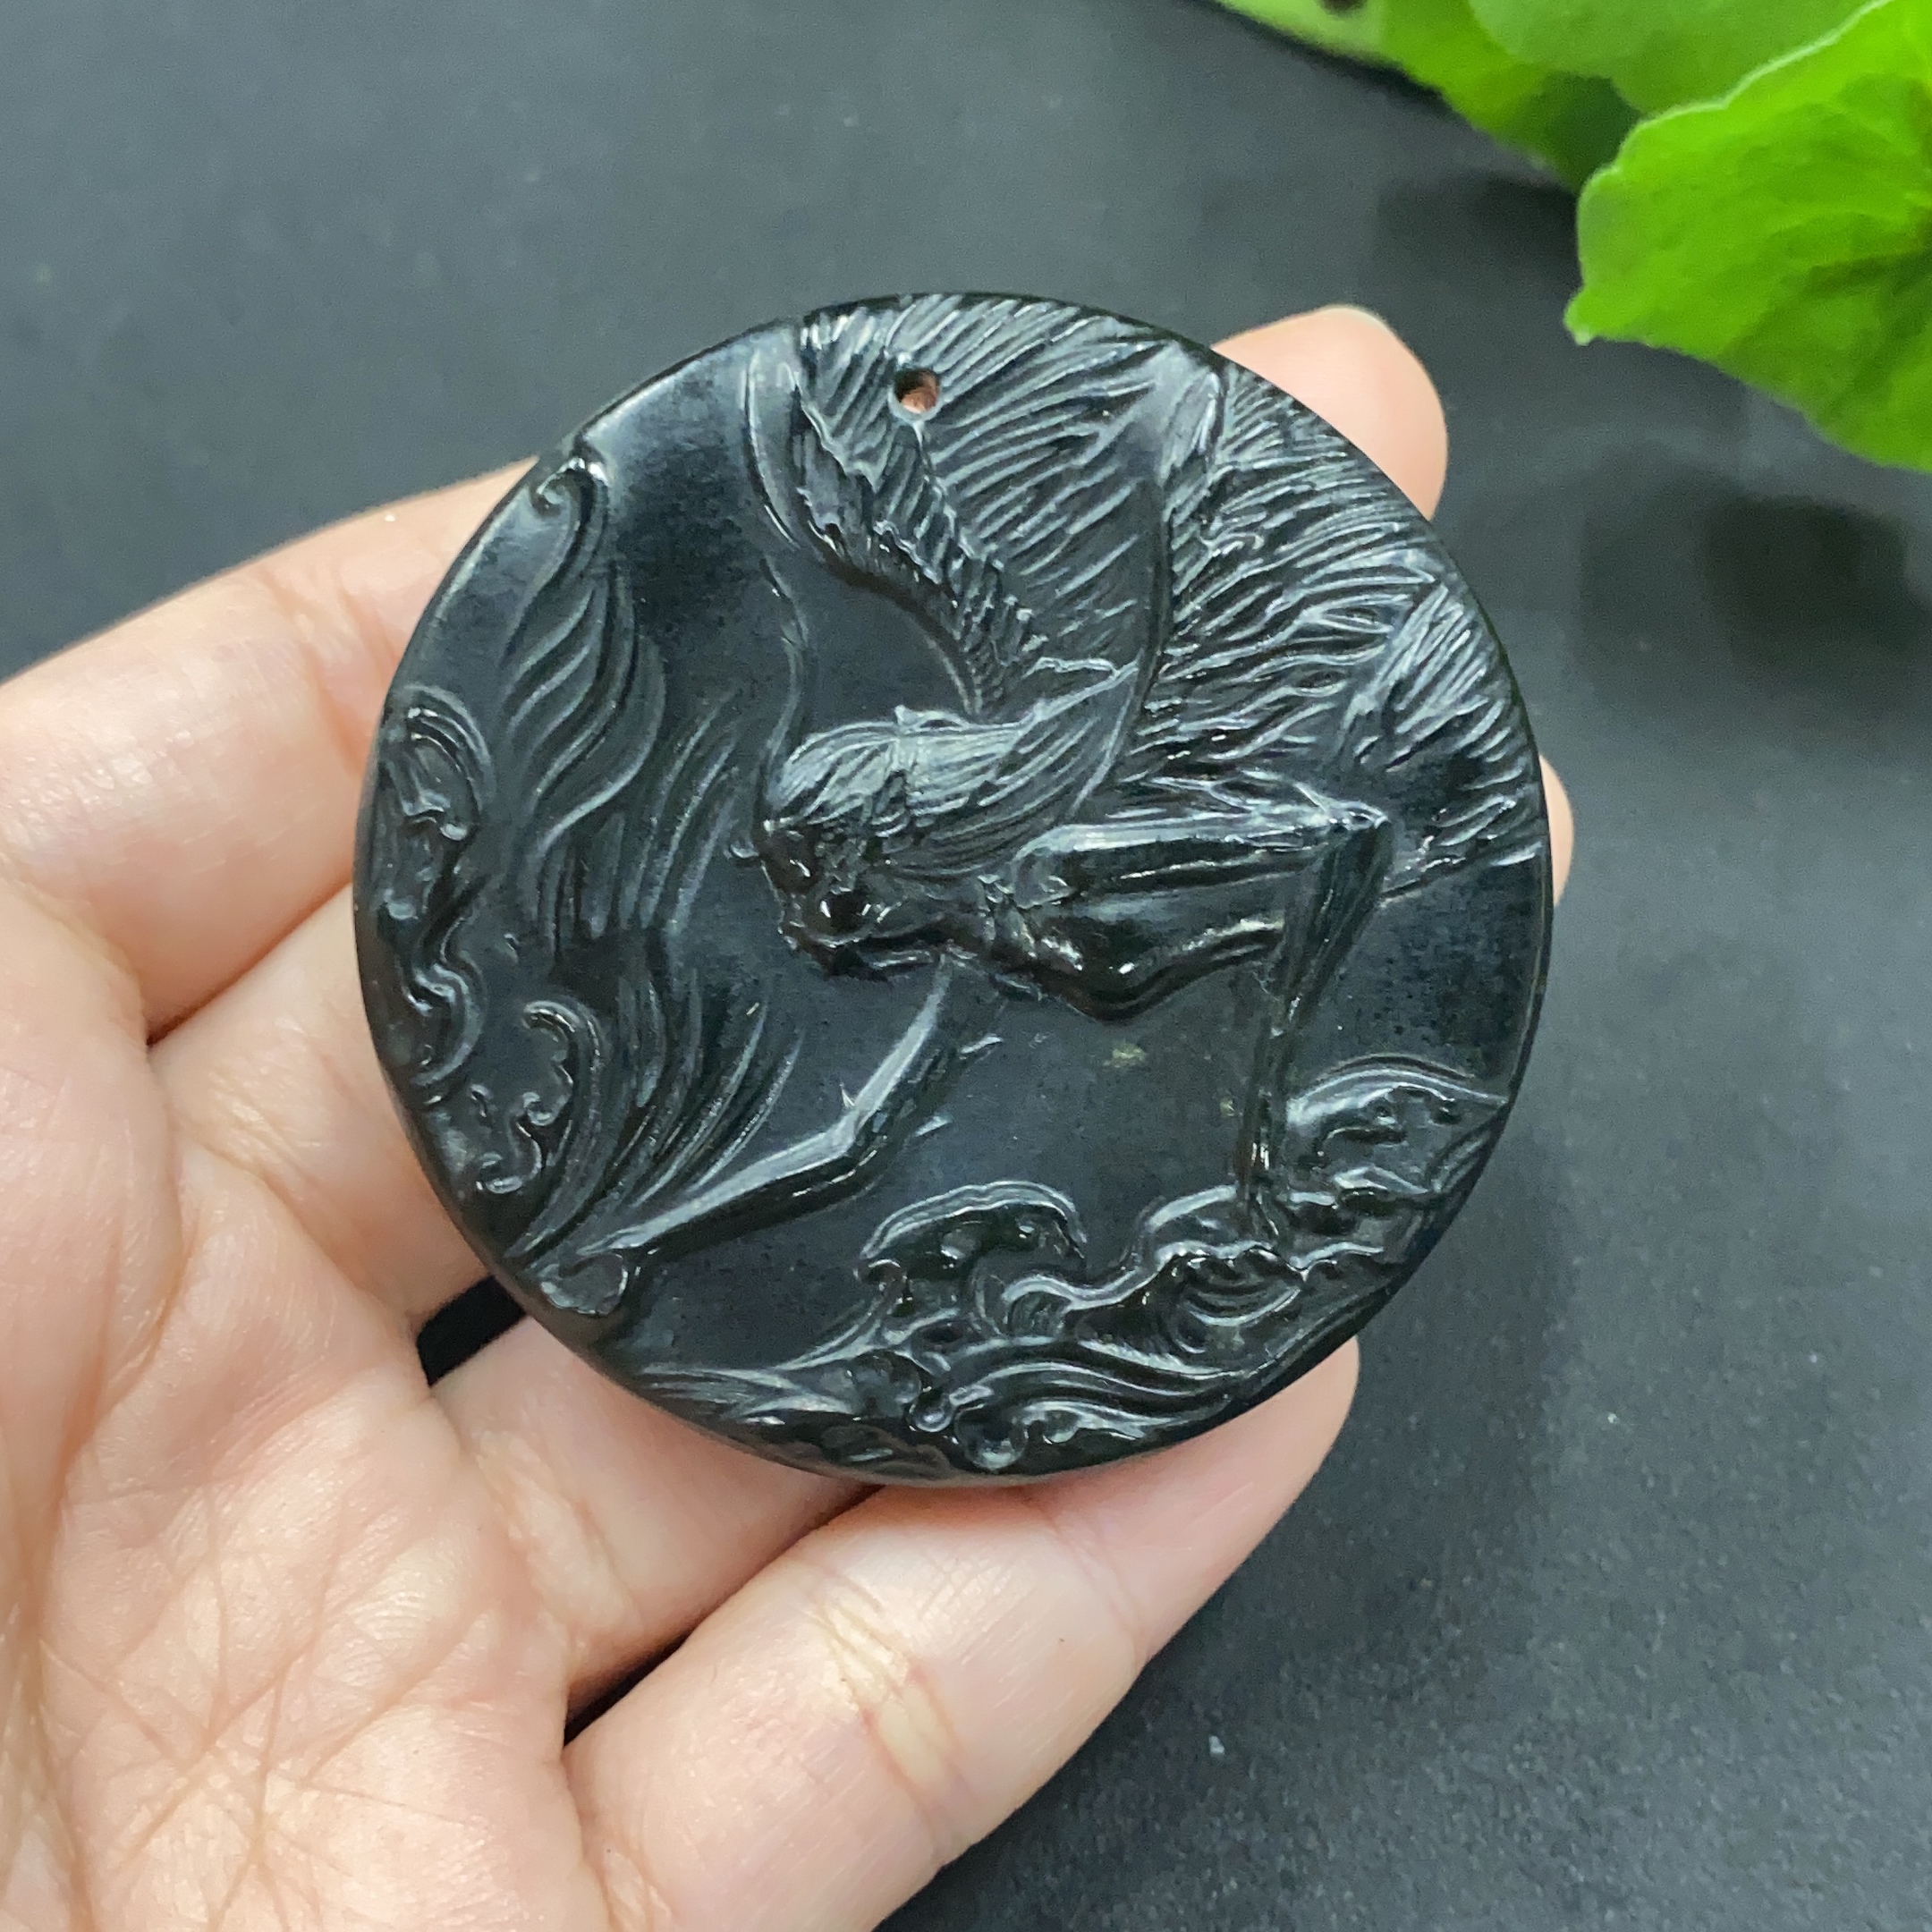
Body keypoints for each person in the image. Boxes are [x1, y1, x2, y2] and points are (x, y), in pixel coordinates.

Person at [0, 307, 1572, 1930]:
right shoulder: (994, 918)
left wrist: (1263, 1129)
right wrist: (643, 1246)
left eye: (824, 897)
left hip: (1372, 786)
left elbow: (1330, 855)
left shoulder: (1053, 877)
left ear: (886, 851)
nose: (814, 935)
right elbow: (856, 1140)